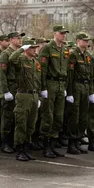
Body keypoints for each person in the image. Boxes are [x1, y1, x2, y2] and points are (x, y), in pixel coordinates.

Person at [38, 25, 69, 158]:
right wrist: (43, 88)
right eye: (61, 33)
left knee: (58, 116)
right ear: (55, 33)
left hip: (61, 84)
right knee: (48, 116)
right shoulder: (47, 48)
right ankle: (46, 146)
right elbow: (42, 70)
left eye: (64, 33)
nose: (63, 35)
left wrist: (65, 87)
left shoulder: (64, 49)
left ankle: (53, 144)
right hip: (50, 84)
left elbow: (66, 69)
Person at [9, 39, 41, 161]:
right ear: (27, 49)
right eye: (32, 47)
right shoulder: (21, 59)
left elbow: (38, 80)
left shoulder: (35, 62)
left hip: (34, 95)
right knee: (21, 123)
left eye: (35, 47)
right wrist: (21, 49)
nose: (35, 49)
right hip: (23, 95)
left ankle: (26, 148)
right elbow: (12, 59)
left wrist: (39, 96)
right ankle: (19, 150)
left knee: (31, 124)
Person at [66, 32, 94, 154]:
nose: (86, 42)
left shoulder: (88, 55)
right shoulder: (73, 54)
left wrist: (91, 91)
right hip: (76, 86)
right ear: (78, 40)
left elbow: (90, 74)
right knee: (74, 116)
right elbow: (70, 74)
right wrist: (69, 92)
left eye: (87, 40)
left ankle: (78, 140)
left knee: (83, 117)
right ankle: (71, 143)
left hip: (85, 86)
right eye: (84, 40)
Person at [0, 31, 25, 153]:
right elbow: (2, 75)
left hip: (18, 88)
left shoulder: (20, 54)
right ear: (10, 40)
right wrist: (5, 91)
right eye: (18, 38)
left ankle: (13, 141)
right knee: (7, 116)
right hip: (10, 87)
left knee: (16, 117)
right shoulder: (5, 54)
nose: (20, 40)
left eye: (21, 38)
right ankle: (5, 143)